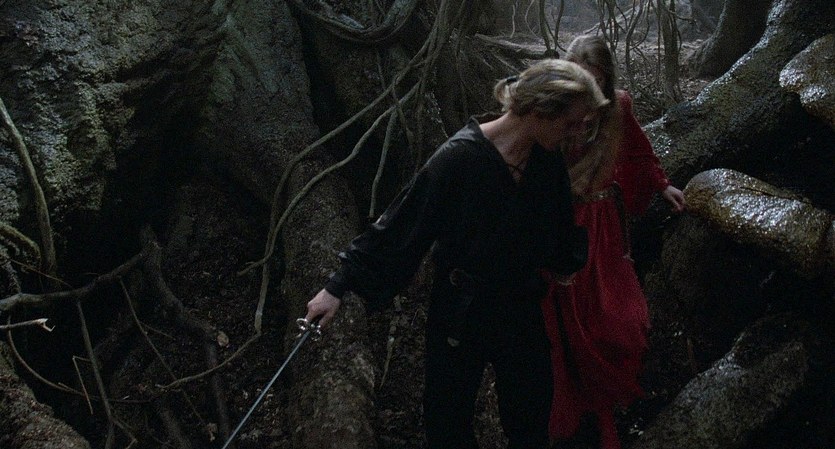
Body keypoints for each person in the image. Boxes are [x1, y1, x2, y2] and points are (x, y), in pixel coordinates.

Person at [305, 59, 609, 449]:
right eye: (570, 123)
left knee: (530, 418)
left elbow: (556, 228)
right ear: (540, 110)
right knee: (448, 421)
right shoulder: (459, 159)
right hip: (461, 310)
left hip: (519, 307)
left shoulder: (545, 160)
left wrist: (566, 259)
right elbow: (403, 225)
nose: (576, 135)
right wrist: (338, 285)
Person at [540, 35, 686, 449]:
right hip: (564, 225)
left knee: (620, 320)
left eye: (597, 78)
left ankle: (608, 394)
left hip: (603, 227)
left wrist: (661, 185)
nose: (588, 86)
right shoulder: (554, 109)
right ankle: (579, 409)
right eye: (580, 75)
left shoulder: (617, 107)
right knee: (566, 317)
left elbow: (638, 152)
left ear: (606, 79)